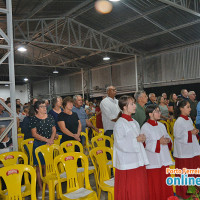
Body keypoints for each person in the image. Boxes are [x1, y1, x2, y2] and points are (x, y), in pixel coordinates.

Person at [113, 95, 149, 200]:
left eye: (134, 103)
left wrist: (142, 138)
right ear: (124, 107)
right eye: (132, 104)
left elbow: (137, 138)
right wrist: (136, 140)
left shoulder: (135, 122)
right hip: (128, 162)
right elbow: (120, 143)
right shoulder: (120, 123)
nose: (135, 106)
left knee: (140, 187)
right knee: (131, 188)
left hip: (138, 159)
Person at [141, 105, 174, 200]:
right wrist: (158, 142)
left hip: (163, 158)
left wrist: (168, 140)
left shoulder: (161, 125)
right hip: (153, 160)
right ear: (150, 114)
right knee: (155, 184)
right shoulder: (145, 127)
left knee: (165, 182)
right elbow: (145, 144)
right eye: (157, 111)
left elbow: (167, 136)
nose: (159, 113)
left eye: (159, 111)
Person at [174, 100, 200, 199]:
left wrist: (194, 132)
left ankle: (196, 192)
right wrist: (190, 133)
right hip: (184, 152)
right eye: (188, 107)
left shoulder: (188, 119)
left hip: (192, 150)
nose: (190, 109)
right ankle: (186, 193)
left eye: (190, 107)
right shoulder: (178, 121)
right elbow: (177, 136)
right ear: (181, 108)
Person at [30, 100, 56, 194]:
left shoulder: (50, 117)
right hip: (38, 145)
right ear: (37, 109)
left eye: (45, 106)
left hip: (49, 144)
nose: (45, 108)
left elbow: (54, 130)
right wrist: (47, 140)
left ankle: (48, 186)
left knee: (47, 166)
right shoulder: (33, 119)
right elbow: (34, 134)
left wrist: (51, 139)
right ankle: (41, 188)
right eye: (42, 106)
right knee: (39, 167)